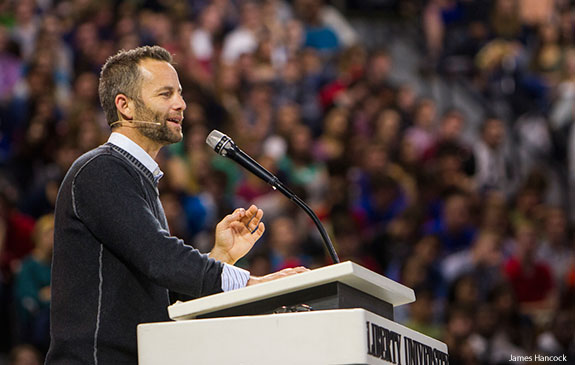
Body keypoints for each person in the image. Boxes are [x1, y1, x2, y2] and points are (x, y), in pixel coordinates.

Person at [45, 46, 306, 364]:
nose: (181, 104)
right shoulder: (101, 169)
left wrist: (220, 256)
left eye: (180, 93)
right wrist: (250, 282)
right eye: (165, 94)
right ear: (125, 106)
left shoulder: (138, 179)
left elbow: (161, 294)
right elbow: (158, 257)